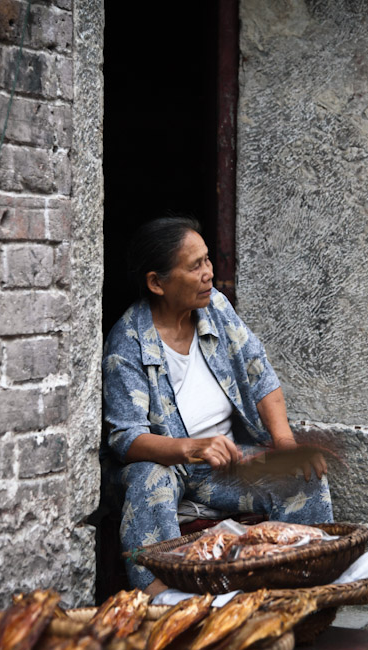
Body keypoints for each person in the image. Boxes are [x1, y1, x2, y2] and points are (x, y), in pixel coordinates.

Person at [102, 216, 334, 595]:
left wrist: (285, 444)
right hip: (169, 465)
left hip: (225, 466)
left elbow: (261, 375)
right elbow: (126, 440)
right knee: (149, 479)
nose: (209, 273)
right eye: (195, 266)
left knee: (301, 477)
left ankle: (303, 590)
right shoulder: (128, 341)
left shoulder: (217, 309)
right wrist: (190, 449)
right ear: (156, 283)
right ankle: (162, 603)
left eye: (208, 260)